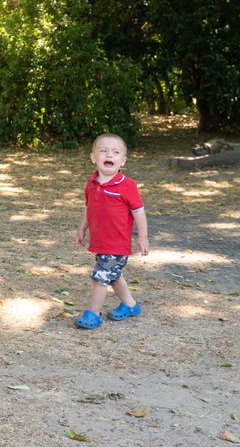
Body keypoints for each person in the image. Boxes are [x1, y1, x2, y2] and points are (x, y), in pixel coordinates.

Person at [74, 133, 150, 330]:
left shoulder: (127, 185)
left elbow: (139, 212)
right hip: (100, 241)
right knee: (113, 276)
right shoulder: (91, 183)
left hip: (117, 244)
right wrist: (82, 228)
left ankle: (93, 312)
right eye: (104, 151)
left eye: (116, 152)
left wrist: (143, 237)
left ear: (122, 161)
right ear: (93, 157)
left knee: (101, 277)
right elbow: (89, 208)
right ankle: (130, 305)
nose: (110, 154)